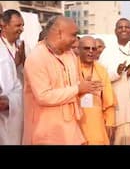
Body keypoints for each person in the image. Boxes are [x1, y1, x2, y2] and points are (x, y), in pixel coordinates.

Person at [23, 15, 103, 145]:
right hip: (46, 132)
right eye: (73, 35)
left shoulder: (69, 54)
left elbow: (73, 87)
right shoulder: (37, 57)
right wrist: (78, 89)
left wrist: (85, 88)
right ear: (59, 34)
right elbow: (44, 96)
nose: (76, 41)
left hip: (71, 129)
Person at [99, 18, 130, 145]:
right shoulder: (107, 52)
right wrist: (118, 72)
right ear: (115, 31)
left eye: (127, 27)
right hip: (117, 103)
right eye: (120, 27)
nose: (124, 29)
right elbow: (101, 77)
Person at [78, 36, 115, 145]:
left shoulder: (101, 70)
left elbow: (109, 99)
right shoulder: (71, 67)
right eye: (86, 48)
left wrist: (110, 122)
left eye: (93, 49)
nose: (90, 52)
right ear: (78, 49)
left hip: (96, 123)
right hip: (76, 122)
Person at [0, 9, 24, 144]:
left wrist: (9, 101)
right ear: (5, 25)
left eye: (22, 25)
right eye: (17, 25)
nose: (21, 29)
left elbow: (20, 85)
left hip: (12, 114)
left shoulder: (23, 47)